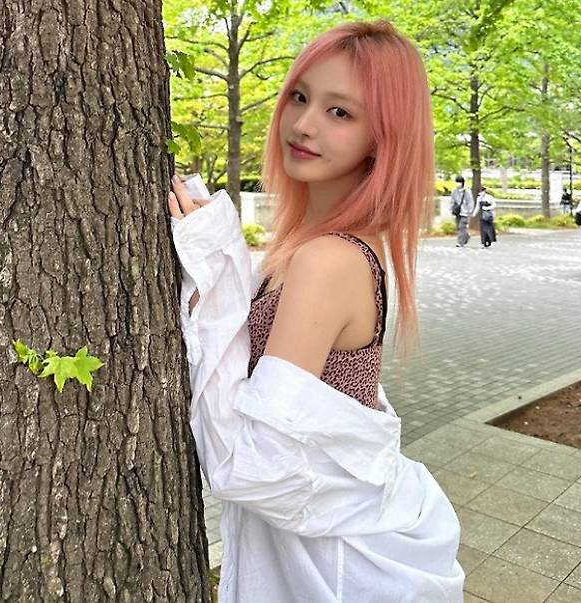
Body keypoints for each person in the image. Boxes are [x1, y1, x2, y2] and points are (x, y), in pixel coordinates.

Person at [168, 21, 464, 602]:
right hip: (321, 545)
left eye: (340, 112)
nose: (303, 124)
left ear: (382, 138)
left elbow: (249, 467)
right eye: (300, 97)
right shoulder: (313, 244)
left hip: (335, 565)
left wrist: (217, 264)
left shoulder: (328, 259)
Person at [450, 176, 474, 247]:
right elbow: (452, 201)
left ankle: (460, 242)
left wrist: (470, 211)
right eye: (457, 182)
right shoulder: (454, 191)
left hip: (465, 212)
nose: (458, 184)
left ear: (462, 183)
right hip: (457, 212)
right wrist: (451, 209)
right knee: (458, 227)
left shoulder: (467, 191)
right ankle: (466, 236)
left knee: (461, 226)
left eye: (459, 182)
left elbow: (470, 202)